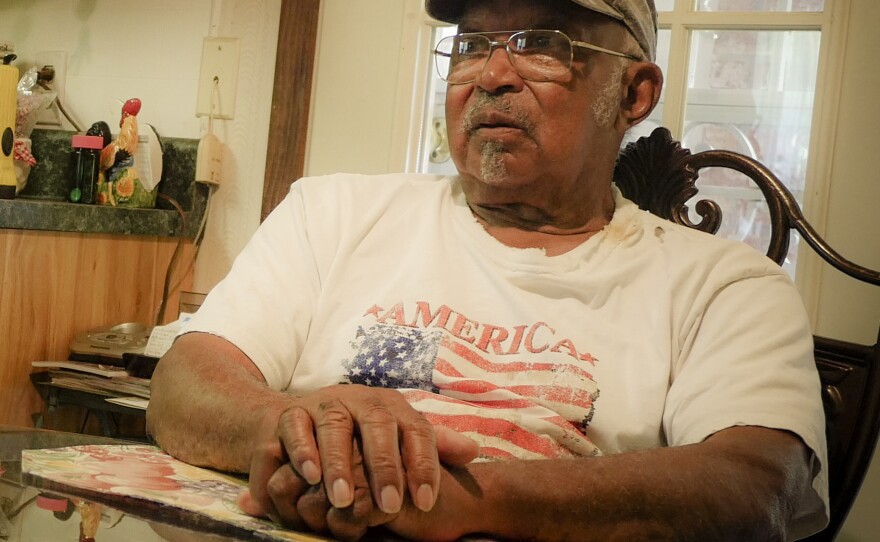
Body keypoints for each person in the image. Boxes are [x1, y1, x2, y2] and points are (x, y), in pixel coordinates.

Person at [146, 0, 829, 540]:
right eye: (471, 46)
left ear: (633, 94)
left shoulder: (726, 287)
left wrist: (472, 500)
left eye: (542, 44)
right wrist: (300, 428)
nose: (492, 75)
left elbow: (756, 490)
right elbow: (183, 385)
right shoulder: (332, 212)